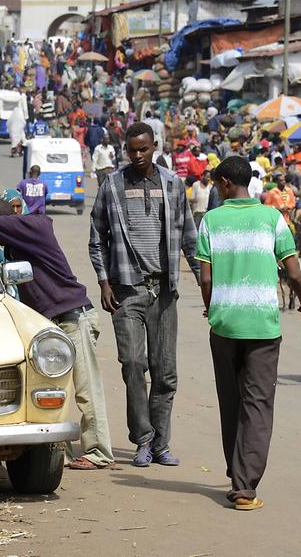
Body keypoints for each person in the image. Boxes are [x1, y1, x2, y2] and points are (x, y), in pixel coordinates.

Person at [0, 196, 115, 469]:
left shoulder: (35, 227)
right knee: (52, 390)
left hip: (73, 316)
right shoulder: (16, 241)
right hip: (50, 322)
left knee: (86, 389)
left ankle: (98, 451)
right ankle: (59, 451)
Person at [197, 156, 301, 511]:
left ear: (225, 184)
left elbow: (206, 278)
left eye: (218, 183)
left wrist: (212, 307)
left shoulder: (211, 221)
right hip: (262, 326)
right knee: (258, 404)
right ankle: (245, 486)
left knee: (231, 402)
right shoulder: (272, 218)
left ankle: (237, 472)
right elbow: (292, 271)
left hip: (224, 325)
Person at [89, 122, 198, 468]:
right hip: (126, 291)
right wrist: (104, 283)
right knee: (133, 364)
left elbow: (190, 240)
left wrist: (207, 287)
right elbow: (97, 238)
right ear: (125, 150)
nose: (138, 156)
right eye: (132, 150)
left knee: (165, 371)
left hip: (163, 291)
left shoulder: (172, 185)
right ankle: (143, 439)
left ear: (155, 147)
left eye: (144, 149)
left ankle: (162, 443)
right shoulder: (112, 185)